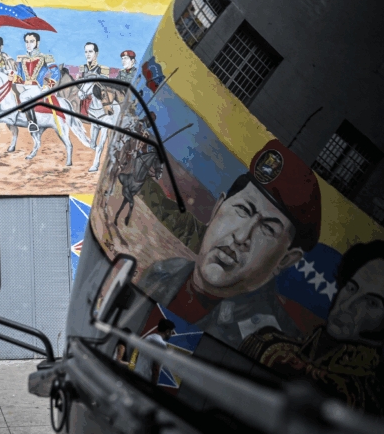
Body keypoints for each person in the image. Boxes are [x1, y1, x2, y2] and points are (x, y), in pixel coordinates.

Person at [135, 139, 322, 349]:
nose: (242, 237)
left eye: (267, 229)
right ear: (217, 209)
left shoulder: (268, 344)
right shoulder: (162, 272)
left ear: (285, 260)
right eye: (243, 210)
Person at [240, 240, 384, 417]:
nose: (349, 305)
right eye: (351, 288)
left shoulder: (368, 400)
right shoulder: (268, 343)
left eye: (371, 303)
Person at [14, 32, 60, 133]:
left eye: (31, 41)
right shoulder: (22, 59)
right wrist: (17, 84)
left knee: (23, 97)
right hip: (23, 87)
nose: (28, 44)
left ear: (37, 43)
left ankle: (32, 122)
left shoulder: (45, 57)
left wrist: (48, 85)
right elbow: (19, 74)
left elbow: (56, 72)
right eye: (26, 42)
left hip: (37, 88)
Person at [133, 319, 175, 385]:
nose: (171, 335)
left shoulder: (148, 338)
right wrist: (153, 386)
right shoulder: (161, 344)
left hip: (136, 374)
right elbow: (156, 367)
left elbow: (138, 354)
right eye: (171, 332)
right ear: (167, 331)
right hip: (145, 381)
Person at [77, 42, 110, 118]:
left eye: (90, 51)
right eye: (86, 52)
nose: (88, 54)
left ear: (96, 54)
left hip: (97, 100)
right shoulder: (82, 68)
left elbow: (103, 87)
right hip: (83, 98)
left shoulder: (103, 69)